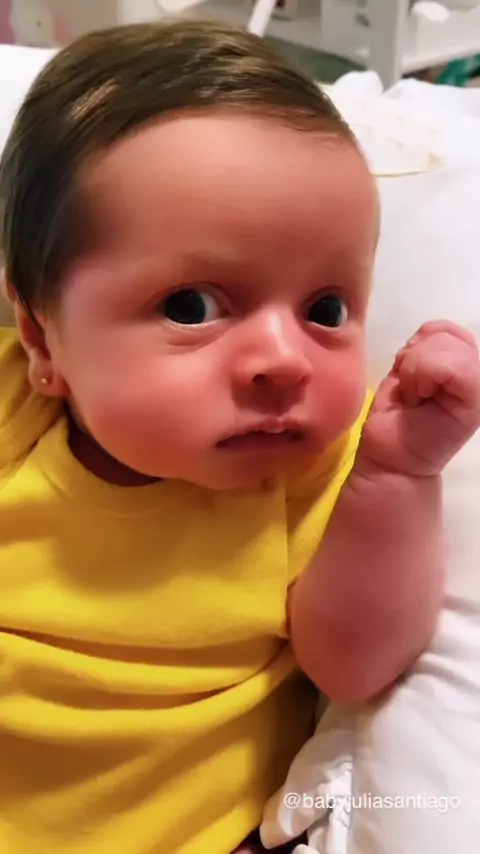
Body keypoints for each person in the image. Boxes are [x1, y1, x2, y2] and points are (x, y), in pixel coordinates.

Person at [0, 19, 478, 854]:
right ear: (42, 338)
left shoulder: (323, 467)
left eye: (325, 308)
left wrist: (400, 474)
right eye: (192, 306)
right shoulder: (13, 403)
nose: (284, 360)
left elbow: (356, 667)